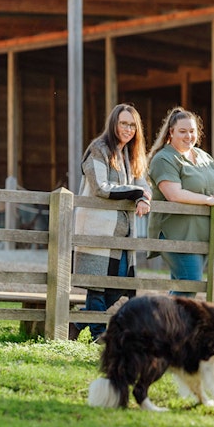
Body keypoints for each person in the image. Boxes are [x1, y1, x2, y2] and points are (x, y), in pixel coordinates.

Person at [72, 104, 151, 341]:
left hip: (122, 233)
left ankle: (77, 323)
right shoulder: (99, 149)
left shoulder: (130, 153)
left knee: (120, 283)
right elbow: (101, 187)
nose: (128, 129)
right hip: (97, 229)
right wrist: (136, 193)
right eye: (123, 123)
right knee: (97, 284)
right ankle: (99, 335)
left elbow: (143, 184)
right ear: (113, 124)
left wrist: (143, 195)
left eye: (132, 125)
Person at [147, 107, 214, 298]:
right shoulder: (164, 159)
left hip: (202, 233)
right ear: (171, 132)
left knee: (184, 286)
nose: (188, 136)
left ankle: (170, 325)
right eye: (182, 131)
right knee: (191, 283)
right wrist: (208, 201)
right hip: (176, 233)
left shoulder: (204, 157)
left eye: (192, 131)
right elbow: (174, 194)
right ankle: (168, 323)